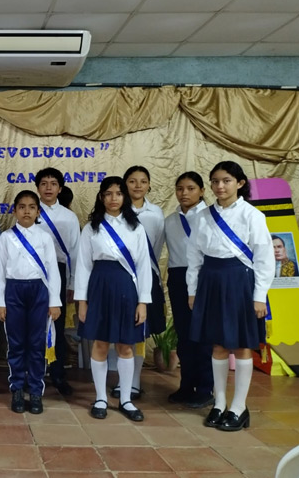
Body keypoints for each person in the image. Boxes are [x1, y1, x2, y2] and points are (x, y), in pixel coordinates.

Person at [187, 161, 273, 431]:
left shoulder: (252, 215)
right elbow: (194, 257)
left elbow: (264, 258)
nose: (219, 186)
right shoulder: (202, 216)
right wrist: (192, 291)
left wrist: (259, 296)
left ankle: (239, 407)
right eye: (214, 181)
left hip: (240, 282)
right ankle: (220, 403)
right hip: (211, 281)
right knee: (217, 344)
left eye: (225, 181)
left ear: (240, 183)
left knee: (242, 344)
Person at [74, 176, 151, 422]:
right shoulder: (91, 228)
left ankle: (126, 399)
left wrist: (143, 302)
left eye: (118, 193)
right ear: (101, 197)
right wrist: (82, 301)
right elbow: (84, 266)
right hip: (99, 286)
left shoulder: (135, 227)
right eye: (108, 193)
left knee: (125, 345)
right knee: (100, 343)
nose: (113, 198)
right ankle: (100, 397)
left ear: (125, 197)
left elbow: (143, 267)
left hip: (127, 288)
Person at [0, 190, 61, 415]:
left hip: (39, 292)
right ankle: (17, 389)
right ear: (14, 211)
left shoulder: (44, 238)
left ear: (38, 211)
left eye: (32, 207)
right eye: (21, 207)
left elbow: (53, 271)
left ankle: (35, 391)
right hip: (14, 291)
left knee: (36, 343)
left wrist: (55, 301)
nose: (26, 211)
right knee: (16, 343)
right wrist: (0, 302)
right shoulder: (6, 237)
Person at [113, 165, 165, 400]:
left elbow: (157, 247)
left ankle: (134, 382)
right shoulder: (116, 212)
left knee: (140, 330)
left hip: (146, 277)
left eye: (143, 181)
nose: (137, 186)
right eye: (132, 181)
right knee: (121, 331)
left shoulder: (155, 214)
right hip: (120, 279)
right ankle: (122, 380)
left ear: (149, 185)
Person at [164, 172, 214, 408]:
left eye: (191, 188)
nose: (184, 193)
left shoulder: (210, 217)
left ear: (202, 191)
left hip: (203, 277)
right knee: (184, 335)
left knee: (203, 335)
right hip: (177, 277)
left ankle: (205, 389)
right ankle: (186, 385)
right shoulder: (170, 220)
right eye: (180, 188)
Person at [34, 168, 80, 397]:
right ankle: (34, 372)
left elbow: (74, 252)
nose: (49, 187)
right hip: (32, 273)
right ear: (38, 187)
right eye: (44, 183)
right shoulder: (30, 211)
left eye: (53, 183)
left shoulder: (68, 217)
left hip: (59, 273)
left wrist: (71, 284)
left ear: (60, 188)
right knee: (33, 325)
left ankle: (58, 374)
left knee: (57, 326)